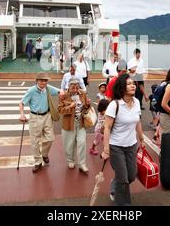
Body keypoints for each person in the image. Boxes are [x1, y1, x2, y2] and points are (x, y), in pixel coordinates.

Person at [101, 73, 145, 206]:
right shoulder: (114, 105)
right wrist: (106, 150)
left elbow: (137, 122)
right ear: (122, 87)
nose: (133, 86)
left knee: (131, 176)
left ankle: (115, 184)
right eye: (129, 84)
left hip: (131, 145)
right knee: (124, 180)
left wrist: (141, 138)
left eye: (133, 83)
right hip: (116, 147)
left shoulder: (136, 102)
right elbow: (107, 128)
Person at [19, 73, 64, 173]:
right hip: (35, 117)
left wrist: (62, 93)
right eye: (41, 80)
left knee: (50, 138)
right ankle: (37, 161)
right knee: (35, 141)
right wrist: (22, 115)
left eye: (45, 81)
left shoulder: (47, 88)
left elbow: (60, 92)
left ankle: (44, 154)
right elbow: (21, 103)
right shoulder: (31, 91)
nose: (44, 82)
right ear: (37, 81)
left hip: (47, 116)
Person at [58, 79, 91, 173]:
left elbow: (85, 109)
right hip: (68, 124)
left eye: (77, 87)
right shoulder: (63, 96)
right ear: (69, 87)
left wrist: (88, 105)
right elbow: (60, 110)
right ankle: (70, 160)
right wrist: (70, 107)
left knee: (82, 143)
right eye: (73, 88)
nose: (75, 90)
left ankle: (82, 164)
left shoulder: (83, 94)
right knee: (69, 144)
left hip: (80, 123)